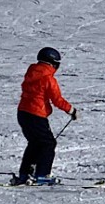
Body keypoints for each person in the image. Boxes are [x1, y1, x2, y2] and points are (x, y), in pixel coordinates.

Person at [12, 47, 76, 186]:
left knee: (35, 143)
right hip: (36, 115)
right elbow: (57, 99)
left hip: (23, 113)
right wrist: (71, 110)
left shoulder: (31, 72)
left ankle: (25, 173)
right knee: (48, 143)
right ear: (53, 63)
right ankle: (42, 174)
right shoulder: (48, 78)